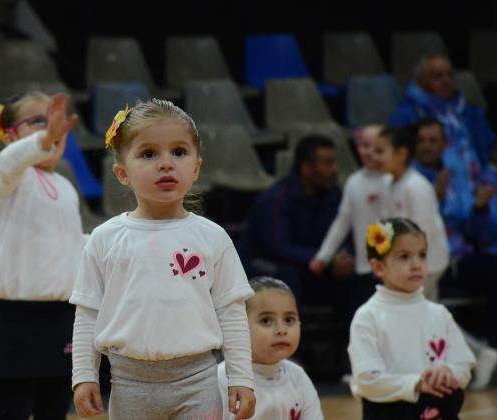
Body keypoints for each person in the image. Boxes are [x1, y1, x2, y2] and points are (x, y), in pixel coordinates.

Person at [71, 100, 256, 420]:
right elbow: (88, 313)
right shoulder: (103, 239)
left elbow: (232, 312)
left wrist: (241, 376)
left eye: (179, 152)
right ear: (122, 173)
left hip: (198, 382)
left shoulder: (213, 238)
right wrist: (84, 375)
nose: (166, 163)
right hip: (128, 385)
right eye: (148, 154)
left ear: (196, 168)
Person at [0, 91, 83, 420]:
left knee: (53, 409)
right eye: (37, 121)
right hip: (15, 317)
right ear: (11, 135)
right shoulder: (8, 175)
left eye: (55, 123)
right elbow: (11, 160)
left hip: (61, 316)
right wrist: (46, 137)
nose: (52, 128)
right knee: (12, 409)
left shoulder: (66, 188)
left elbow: (73, 244)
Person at [348, 218, 475, 419]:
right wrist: (416, 383)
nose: (416, 264)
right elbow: (366, 381)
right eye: (404, 257)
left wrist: (447, 371)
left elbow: (465, 365)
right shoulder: (368, 317)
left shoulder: (439, 313)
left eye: (422, 255)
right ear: (378, 267)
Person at [411, 119, 497, 390]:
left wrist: (480, 209)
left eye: (433, 140)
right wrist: (435, 199)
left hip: (463, 255)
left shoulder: (461, 175)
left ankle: (487, 349)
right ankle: (482, 351)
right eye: (422, 140)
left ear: (445, 144)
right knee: (424, 312)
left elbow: (478, 233)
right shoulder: (412, 178)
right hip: (433, 258)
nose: (427, 146)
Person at [242, 136, 355, 306]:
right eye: (328, 163)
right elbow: (279, 248)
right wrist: (325, 260)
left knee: (353, 274)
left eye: (335, 162)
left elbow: (345, 235)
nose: (335, 169)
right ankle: (292, 331)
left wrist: (344, 256)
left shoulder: (334, 195)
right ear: (306, 168)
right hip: (265, 265)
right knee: (287, 276)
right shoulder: (275, 199)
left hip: (311, 264)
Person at [310, 125, 390, 321]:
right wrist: (323, 256)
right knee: (370, 319)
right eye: (364, 145)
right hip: (364, 266)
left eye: (376, 147)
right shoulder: (354, 182)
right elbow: (342, 221)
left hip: (392, 266)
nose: (369, 152)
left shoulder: (392, 180)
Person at [217, 277, 323, 420]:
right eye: (266, 321)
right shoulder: (221, 379)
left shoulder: (298, 377)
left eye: (289, 320)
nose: (281, 330)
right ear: (239, 327)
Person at [371, 127, 450, 301]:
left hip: (428, 262)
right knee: (426, 318)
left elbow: (424, 231)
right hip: (407, 261)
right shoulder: (386, 182)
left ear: (401, 154)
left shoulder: (417, 186)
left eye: (380, 151)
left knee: (408, 311)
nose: (373, 156)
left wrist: (403, 262)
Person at [390, 54, 495, 173]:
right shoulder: (406, 114)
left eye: (450, 75)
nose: (446, 81)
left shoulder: (469, 110)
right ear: (421, 82)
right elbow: (401, 158)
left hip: (478, 179)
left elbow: (488, 151)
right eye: (438, 77)